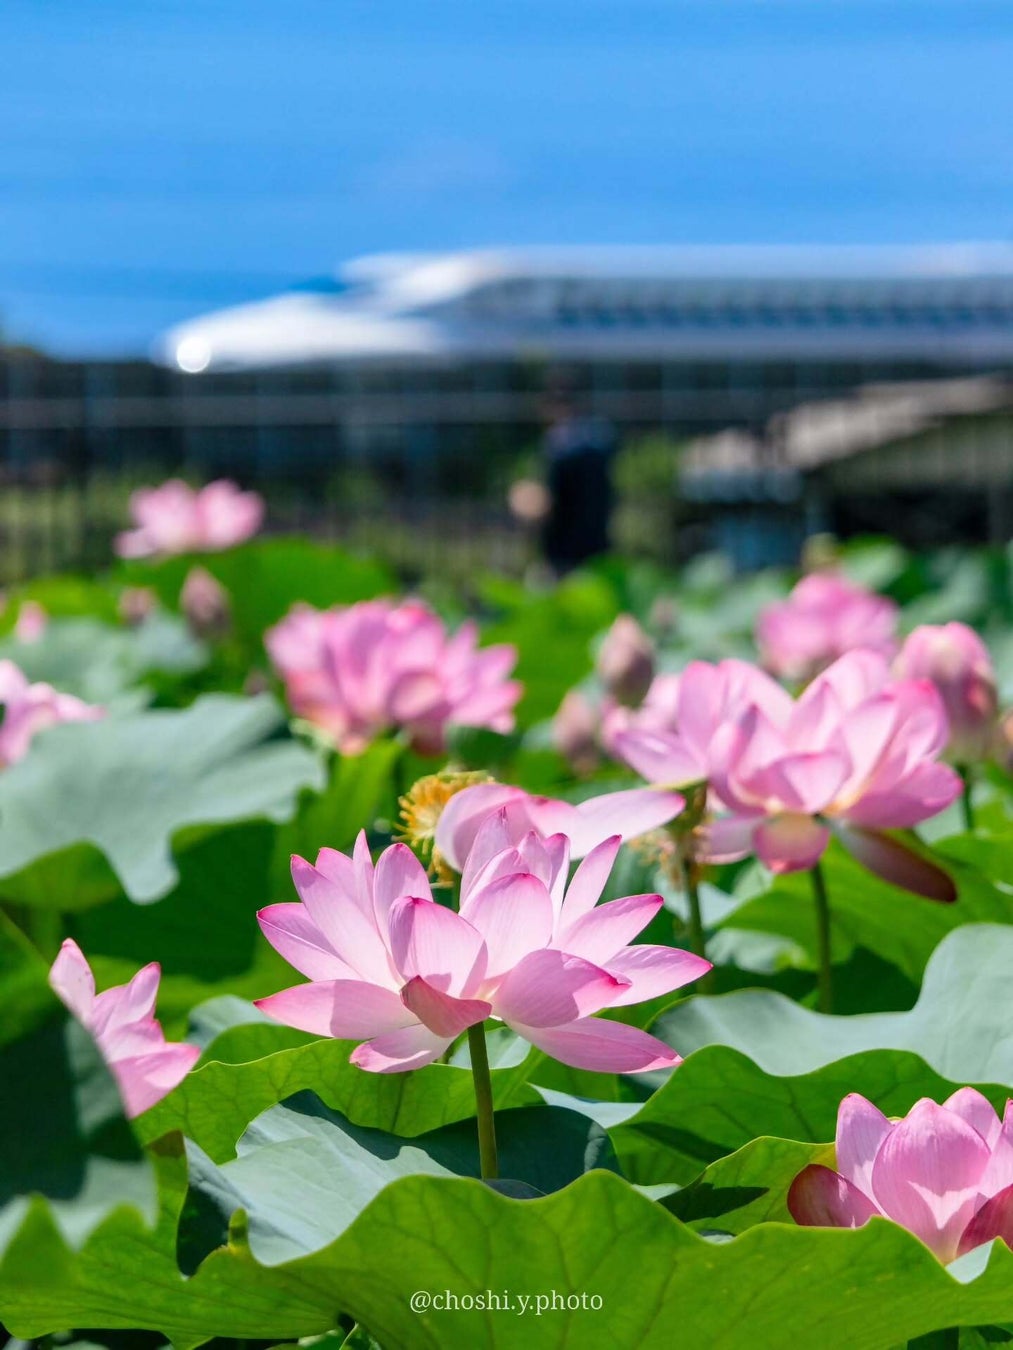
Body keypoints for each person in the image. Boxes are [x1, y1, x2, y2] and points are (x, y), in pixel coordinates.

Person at [538, 388, 616, 573]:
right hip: (598, 538)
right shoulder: (601, 435)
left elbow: (550, 499)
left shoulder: (557, 443)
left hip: (564, 544)